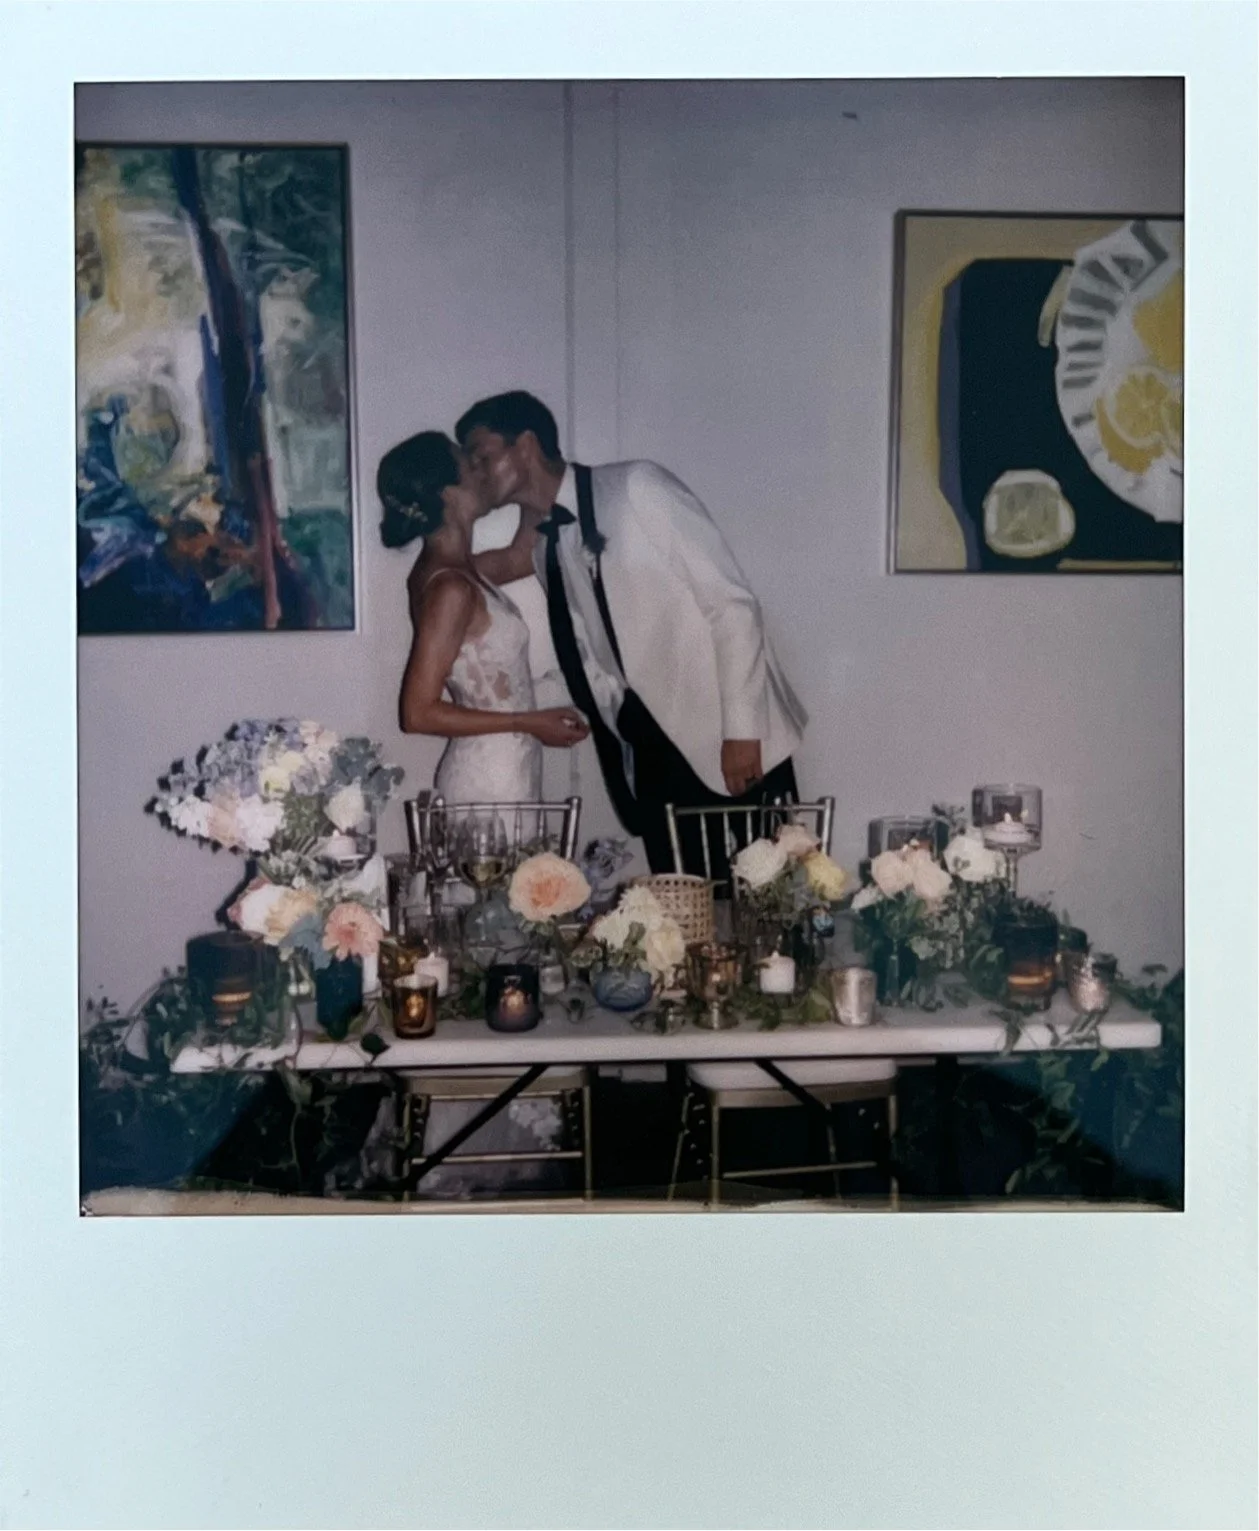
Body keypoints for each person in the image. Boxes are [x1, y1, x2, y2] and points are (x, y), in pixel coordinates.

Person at [456, 391, 807, 875]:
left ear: (527, 445)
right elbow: (592, 657)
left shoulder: (636, 487)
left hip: (729, 736)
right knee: (688, 920)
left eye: (482, 457)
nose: (475, 473)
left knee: (772, 915)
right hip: (653, 755)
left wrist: (743, 733)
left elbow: (732, 606)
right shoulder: (547, 546)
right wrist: (523, 709)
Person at [377, 430, 589, 803]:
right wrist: (530, 722)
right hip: (488, 777)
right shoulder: (450, 588)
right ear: (448, 492)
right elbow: (417, 713)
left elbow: (523, 554)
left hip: (510, 764)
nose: (482, 470)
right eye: (469, 464)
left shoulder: (463, 570)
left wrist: (528, 477)